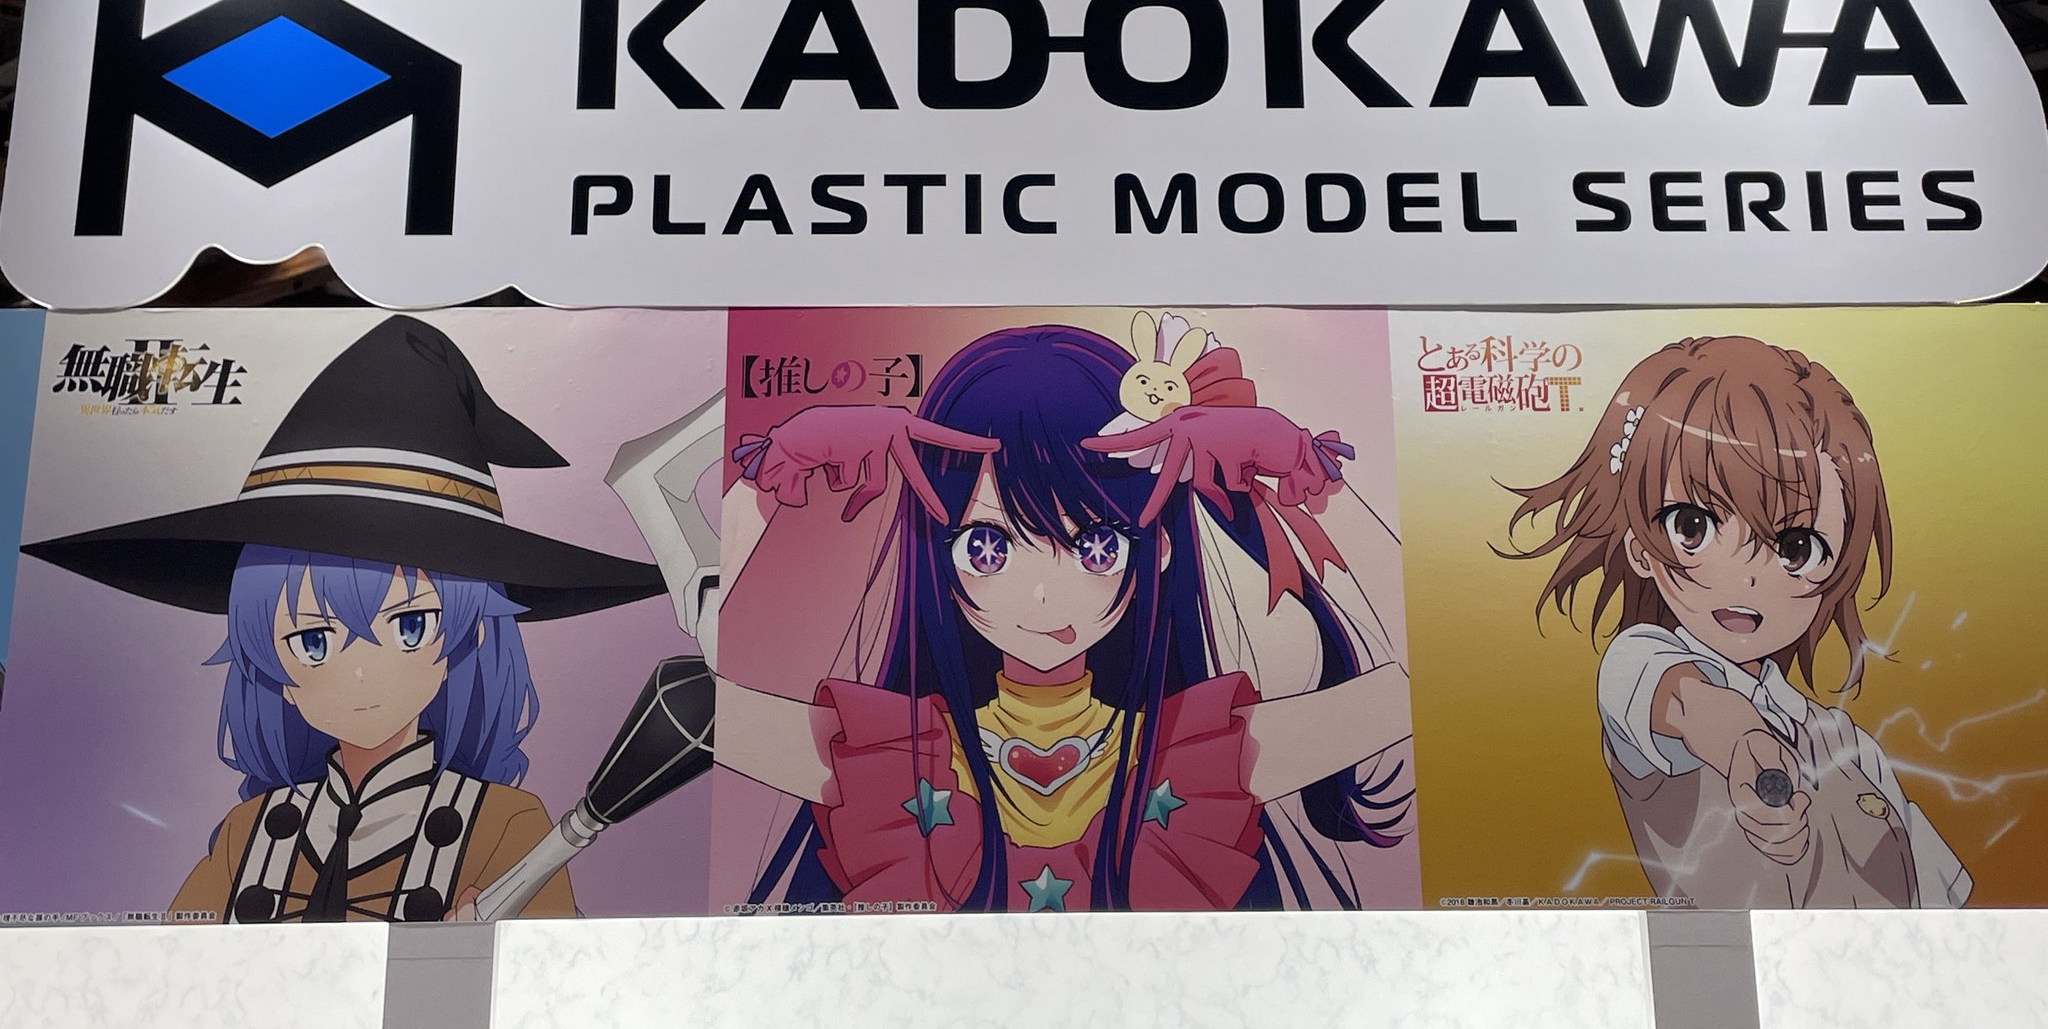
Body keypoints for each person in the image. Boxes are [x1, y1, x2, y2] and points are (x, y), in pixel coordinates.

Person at [715, 321, 1415, 912]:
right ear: (935, 553)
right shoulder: (881, 758)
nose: (1043, 597)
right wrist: (775, 467)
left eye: (1096, 545)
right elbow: (698, 704)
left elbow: (1429, 679)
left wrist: (1306, 468)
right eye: (987, 547)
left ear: (1160, 547)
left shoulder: (1206, 757)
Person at [24, 315, 669, 923]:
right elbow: (165, 976)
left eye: (409, 628)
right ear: (270, 665)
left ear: (465, 639)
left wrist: (474, 960)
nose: (360, 675)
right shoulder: (249, 834)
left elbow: (555, 982)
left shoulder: (505, 824)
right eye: (312, 640)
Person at [1503, 333, 1970, 908]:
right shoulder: (1638, 663)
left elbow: (1940, 902)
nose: (1747, 577)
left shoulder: (1851, 745)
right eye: (1693, 527)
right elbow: (1687, 702)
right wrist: (1743, 740)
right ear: (1641, 548)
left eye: (1795, 547)